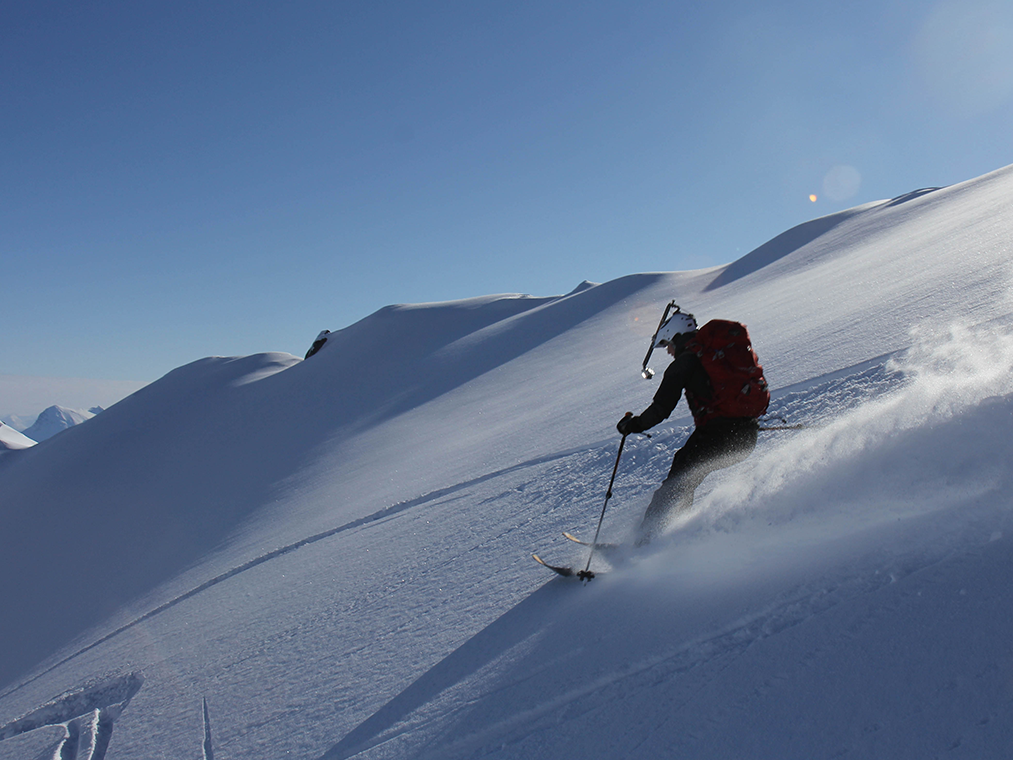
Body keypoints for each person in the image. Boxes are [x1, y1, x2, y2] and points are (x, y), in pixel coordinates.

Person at [617, 309, 766, 544]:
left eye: (667, 344)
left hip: (719, 437)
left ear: (676, 337)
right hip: (746, 436)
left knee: (680, 478)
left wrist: (633, 425)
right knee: (686, 474)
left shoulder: (685, 363)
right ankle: (668, 535)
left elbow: (661, 409)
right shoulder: (713, 353)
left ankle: (646, 543)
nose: (668, 350)